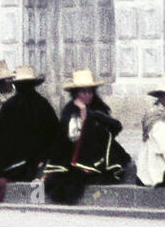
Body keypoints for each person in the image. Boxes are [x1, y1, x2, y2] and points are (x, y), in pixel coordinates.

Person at [43, 70, 129, 204]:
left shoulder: (99, 108)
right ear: (76, 93)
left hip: (96, 151)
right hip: (73, 151)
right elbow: (70, 135)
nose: (88, 95)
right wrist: (83, 115)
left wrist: (89, 114)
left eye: (90, 92)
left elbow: (114, 127)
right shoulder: (69, 110)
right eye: (84, 92)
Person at [0, 64, 58, 180]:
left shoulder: (10, 105)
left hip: (12, 163)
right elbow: (55, 132)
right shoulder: (43, 103)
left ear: (16, 85)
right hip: (38, 159)